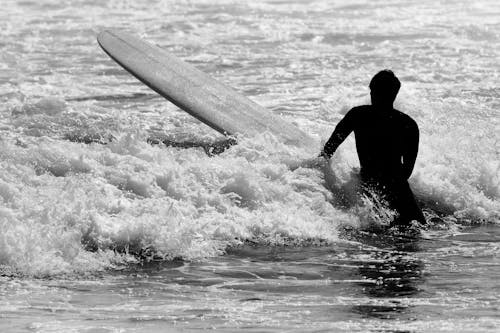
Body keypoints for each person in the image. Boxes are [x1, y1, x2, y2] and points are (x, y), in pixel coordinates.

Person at [320, 70, 425, 226]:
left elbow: (328, 151)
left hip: (369, 187)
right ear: (395, 94)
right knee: (417, 229)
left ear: (372, 92)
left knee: (376, 235)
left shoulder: (358, 115)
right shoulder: (408, 124)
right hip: (399, 191)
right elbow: (407, 170)